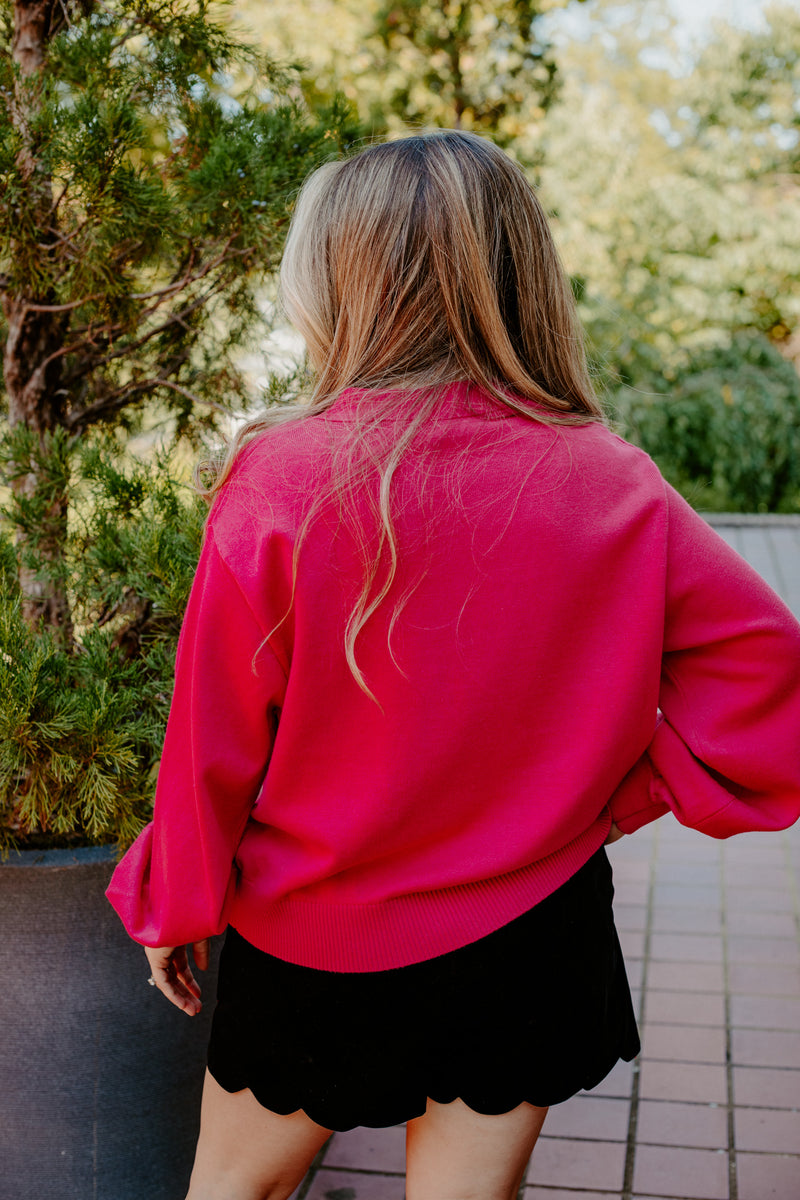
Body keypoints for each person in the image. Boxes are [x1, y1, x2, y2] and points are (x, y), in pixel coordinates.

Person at [107, 131, 800, 1200]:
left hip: (316, 932)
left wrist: (175, 902)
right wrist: (620, 794)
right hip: (534, 928)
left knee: (236, 1189)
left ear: (341, 280)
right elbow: (768, 676)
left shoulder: (282, 480)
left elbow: (214, 740)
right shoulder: (609, 481)